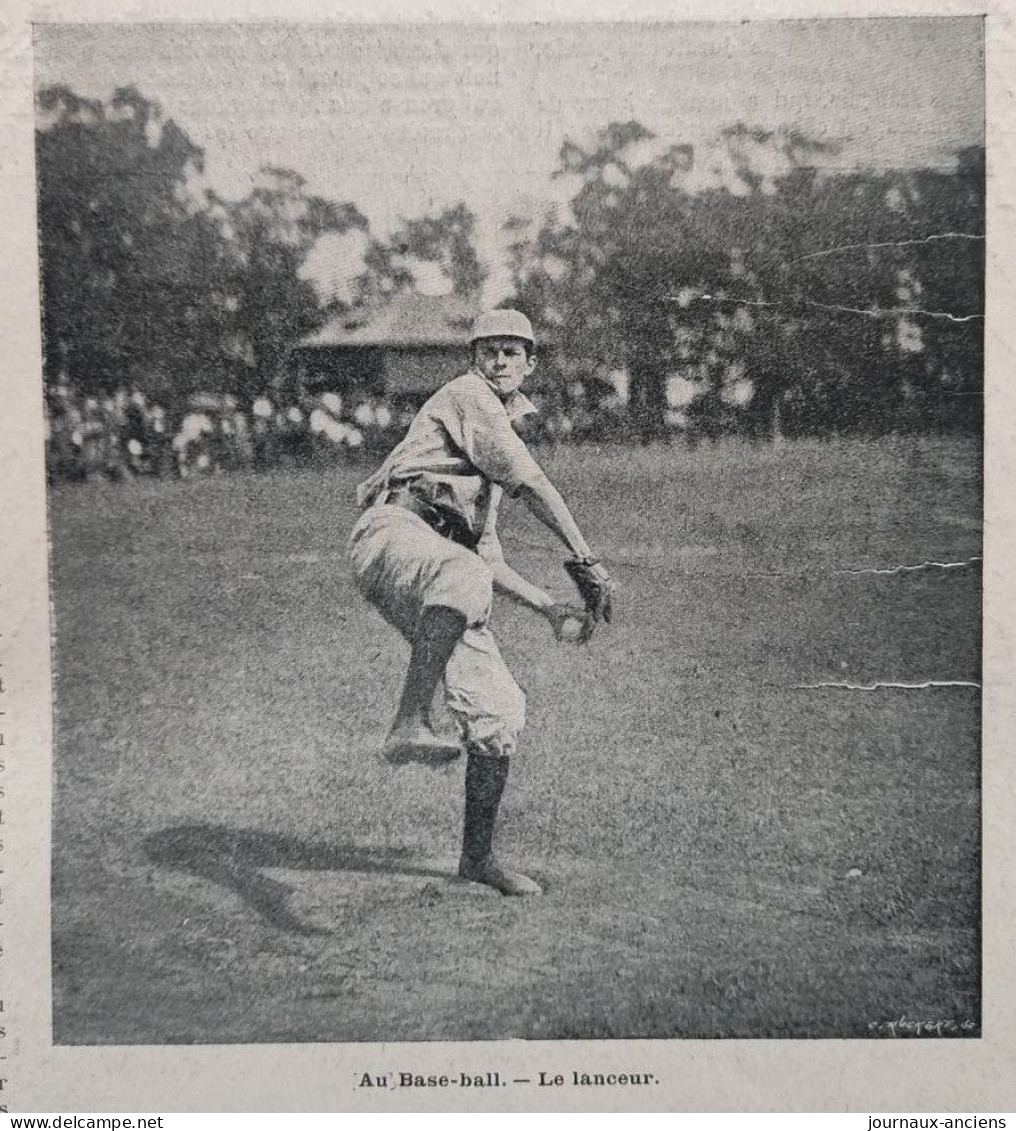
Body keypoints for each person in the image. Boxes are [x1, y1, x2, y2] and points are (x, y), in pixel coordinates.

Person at [348, 309, 614, 896]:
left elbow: (488, 562)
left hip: (442, 567)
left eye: (511, 352)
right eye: (488, 350)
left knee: (499, 712)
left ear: (530, 362)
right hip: (393, 532)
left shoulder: (484, 469)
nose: (498, 361)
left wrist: (549, 608)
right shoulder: (469, 396)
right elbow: (536, 485)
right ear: (474, 360)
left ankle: (477, 858)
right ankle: (409, 721)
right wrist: (584, 561)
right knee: (461, 573)